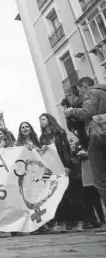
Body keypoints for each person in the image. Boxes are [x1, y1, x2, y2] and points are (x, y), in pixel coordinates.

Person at [63, 77, 106, 234]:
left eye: (79, 90)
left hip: (98, 137)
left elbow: (87, 112)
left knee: (101, 181)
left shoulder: (91, 93)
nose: (80, 93)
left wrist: (71, 111)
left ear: (83, 87)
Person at [39, 113, 72, 233]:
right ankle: (59, 222)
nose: (41, 122)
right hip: (50, 170)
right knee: (54, 195)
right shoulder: (42, 137)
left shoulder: (60, 133)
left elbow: (65, 149)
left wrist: (67, 165)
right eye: (40, 120)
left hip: (61, 166)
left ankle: (66, 222)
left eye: (43, 119)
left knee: (65, 195)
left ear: (49, 120)